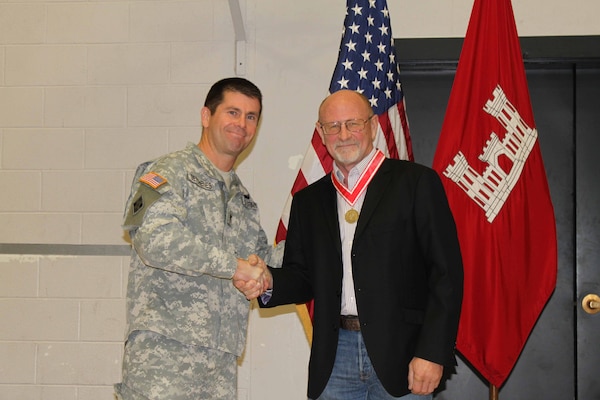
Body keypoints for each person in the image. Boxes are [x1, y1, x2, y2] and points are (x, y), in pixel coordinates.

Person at [236, 89, 463, 400]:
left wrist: (433, 352)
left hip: (404, 353)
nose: (343, 135)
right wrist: (268, 280)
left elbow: (446, 275)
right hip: (335, 355)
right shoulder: (308, 201)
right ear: (321, 132)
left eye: (353, 123)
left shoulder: (416, 183)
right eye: (332, 126)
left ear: (371, 125)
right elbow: (302, 277)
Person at [114, 77, 275, 400]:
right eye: (232, 112)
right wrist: (235, 267)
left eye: (250, 116)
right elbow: (155, 240)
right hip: (164, 356)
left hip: (219, 362)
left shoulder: (241, 199)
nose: (241, 124)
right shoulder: (167, 172)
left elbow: (261, 259)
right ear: (206, 116)